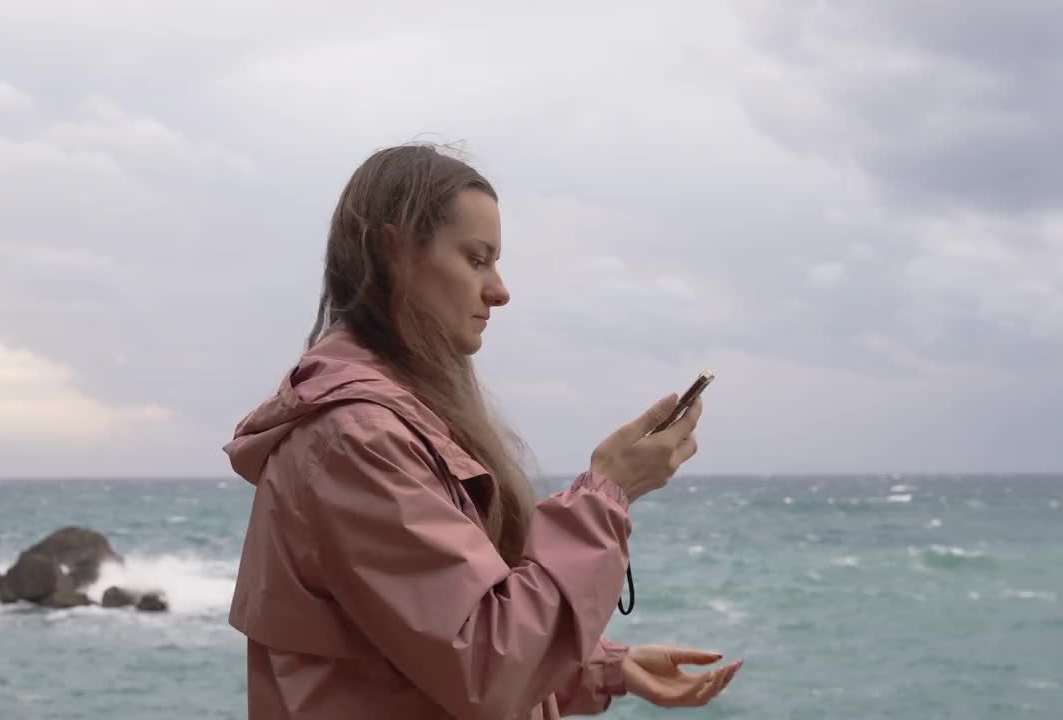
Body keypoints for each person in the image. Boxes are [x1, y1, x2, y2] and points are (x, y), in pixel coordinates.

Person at [224, 143, 743, 719]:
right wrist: (608, 492)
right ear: (395, 252)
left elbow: (413, 657)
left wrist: (603, 667)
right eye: (477, 260)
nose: (500, 290)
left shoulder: (395, 422)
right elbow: (487, 664)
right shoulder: (359, 440)